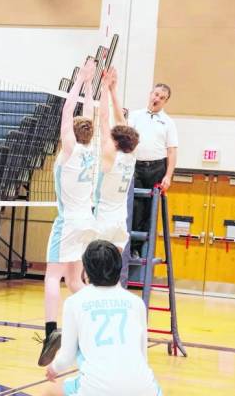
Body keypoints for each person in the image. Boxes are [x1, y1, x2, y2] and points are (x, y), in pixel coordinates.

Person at [45, 240, 161, 396]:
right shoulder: (137, 303)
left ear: (86, 271)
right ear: (119, 268)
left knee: (58, 389)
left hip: (96, 390)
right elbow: (142, 355)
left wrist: (53, 369)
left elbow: (67, 357)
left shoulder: (74, 302)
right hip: (144, 389)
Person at [40, 58, 98, 367]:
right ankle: (93, 322)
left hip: (69, 222)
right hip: (88, 221)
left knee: (52, 276)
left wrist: (79, 80)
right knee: (75, 281)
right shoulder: (91, 148)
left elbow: (67, 112)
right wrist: (90, 85)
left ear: (73, 135)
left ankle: (51, 331)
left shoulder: (72, 149)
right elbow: (86, 115)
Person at [128, 82, 178, 256]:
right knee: (135, 207)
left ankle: (143, 250)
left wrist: (168, 176)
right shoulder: (135, 116)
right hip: (136, 166)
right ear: (150, 94)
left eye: (162, 98)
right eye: (156, 94)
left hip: (157, 167)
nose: (157, 99)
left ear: (165, 102)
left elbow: (172, 151)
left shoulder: (168, 122)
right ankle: (132, 247)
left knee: (150, 209)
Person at [94, 69, 140, 252]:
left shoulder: (110, 154)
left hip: (104, 219)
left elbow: (104, 119)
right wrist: (114, 91)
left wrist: (105, 88)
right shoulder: (132, 156)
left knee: (94, 264)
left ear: (115, 141)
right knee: (114, 265)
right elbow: (121, 122)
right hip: (121, 220)